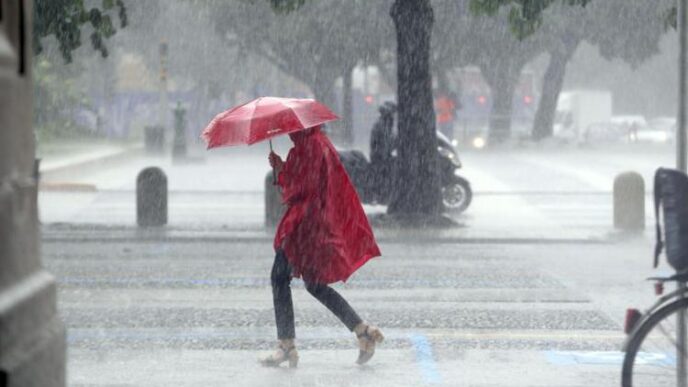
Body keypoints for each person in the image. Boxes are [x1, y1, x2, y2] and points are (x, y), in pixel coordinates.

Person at [261, 126, 384, 368]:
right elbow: (305, 181)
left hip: (305, 226)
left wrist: (283, 171)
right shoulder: (316, 143)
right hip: (314, 223)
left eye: (292, 126)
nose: (289, 130)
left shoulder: (311, 146)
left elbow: (302, 188)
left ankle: (286, 345)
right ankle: (362, 331)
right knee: (315, 284)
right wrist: (282, 167)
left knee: (279, 277)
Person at [369, 102, 397, 200]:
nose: (394, 115)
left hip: (380, 155)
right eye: (393, 113)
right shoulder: (382, 125)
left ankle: (382, 195)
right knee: (382, 177)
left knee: (382, 177)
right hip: (380, 157)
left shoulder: (383, 123)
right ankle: (381, 196)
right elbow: (386, 142)